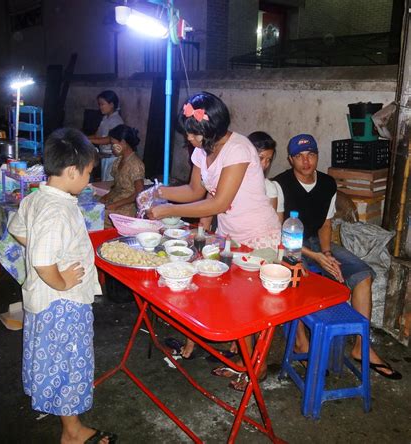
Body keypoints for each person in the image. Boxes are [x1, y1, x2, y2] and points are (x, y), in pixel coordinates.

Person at [147, 92, 280, 385]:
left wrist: (168, 209)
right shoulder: (201, 150)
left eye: (195, 133)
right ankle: (245, 361)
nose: (191, 139)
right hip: (229, 234)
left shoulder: (239, 149)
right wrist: (157, 191)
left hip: (258, 235)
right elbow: (195, 191)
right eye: (189, 133)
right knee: (235, 300)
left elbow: (218, 203)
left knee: (249, 304)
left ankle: (256, 368)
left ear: (214, 129)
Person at [8, 128, 118, 443]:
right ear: (71, 171)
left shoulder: (38, 197)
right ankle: (73, 431)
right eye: (87, 173)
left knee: (52, 358)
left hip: (45, 300)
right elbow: (43, 262)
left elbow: (18, 230)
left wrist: (44, 252)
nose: (88, 179)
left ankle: (57, 407)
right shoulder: (57, 211)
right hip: (62, 304)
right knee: (69, 363)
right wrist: (61, 279)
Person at [273, 133, 402, 380]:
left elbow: (326, 224)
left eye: (310, 154)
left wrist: (328, 253)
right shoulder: (279, 185)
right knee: (293, 278)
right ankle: (301, 342)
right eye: (299, 156)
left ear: (316, 156)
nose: (306, 161)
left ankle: (361, 347)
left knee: (363, 275)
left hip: (317, 242)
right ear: (291, 160)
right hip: (289, 244)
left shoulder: (327, 184)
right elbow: (277, 232)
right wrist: (315, 257)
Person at [99, 124, 145, 228]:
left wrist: (116, 205)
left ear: (123, 143)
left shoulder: (135, 165)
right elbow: (116, 186)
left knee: (96, 215)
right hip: (115, 201)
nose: (111, 147)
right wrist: (105, 197)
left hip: (127, 207)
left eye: (113, 144)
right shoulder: (118, 161)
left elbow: (140, 193)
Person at [88, 90, 124, 181]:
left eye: (102, 104)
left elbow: (109, 139)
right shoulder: (105, 118)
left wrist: (89, 140)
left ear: (111, 104)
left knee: (108, 183)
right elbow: (98, 135)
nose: (100, 107)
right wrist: (84, 137)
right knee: (104, 181)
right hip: (105, 157)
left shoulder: (116, 120)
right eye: (99, 104)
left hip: (113, 158)